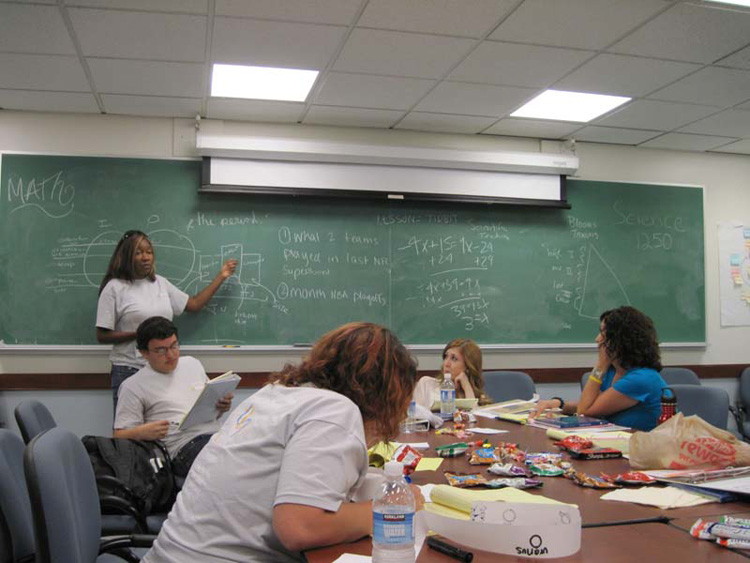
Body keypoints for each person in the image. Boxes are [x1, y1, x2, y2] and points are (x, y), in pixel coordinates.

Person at [143, 322, 423, 563]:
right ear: (383, 393)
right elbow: (300, 527)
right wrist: (392, 507)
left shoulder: (274, 394)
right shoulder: (334, 410)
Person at [96, 229, 237, 407]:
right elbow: (102, 335)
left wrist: (221, 276)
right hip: (129, 368)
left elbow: (194, 305)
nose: (145, 257)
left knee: (164, 419)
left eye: (149, 252)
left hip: (162, 368)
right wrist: (142, 335)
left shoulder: (160, 283)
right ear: (126, 256)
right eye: (138, 253)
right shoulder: (115, 287)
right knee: (131, 423)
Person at [114, 316, 233, 478]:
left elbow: (211, 411)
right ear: (144, 353)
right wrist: (141, 432)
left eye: (174, 346)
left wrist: (221, 407)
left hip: (217, 435)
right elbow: (119, 435)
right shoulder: (133, 386)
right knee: (227, 463)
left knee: (253, 451)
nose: (171, 355)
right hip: (182, 447)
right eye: (161, 350)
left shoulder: (192, 364)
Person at [532, 306, 667, 431]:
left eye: (603, 333)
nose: (597, 339)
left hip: (641, 446)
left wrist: (601, 364)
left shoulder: (641, 378)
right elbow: (595, 404)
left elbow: (584, 411)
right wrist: (560, 404)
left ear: (620, 339)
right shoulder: (614, 371)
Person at [413, 338, 491, 410]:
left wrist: (467, 387)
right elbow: (414, 416)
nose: (446, 364)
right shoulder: (427, 384)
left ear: (468, 366)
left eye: (454, 359)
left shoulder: (477, 397)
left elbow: (476, 418)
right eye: (446, 357)